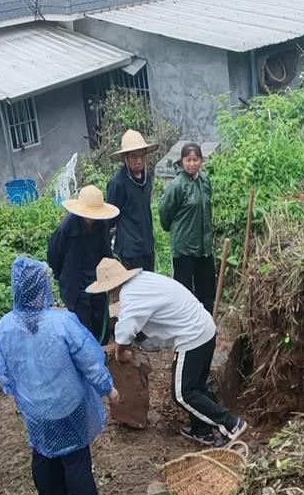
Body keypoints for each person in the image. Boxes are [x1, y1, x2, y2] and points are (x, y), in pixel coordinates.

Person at [0, 256, 117, 495]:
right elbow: (89, 360)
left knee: (43, 454)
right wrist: (107, 388)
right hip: (67, 404)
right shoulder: (61, 322)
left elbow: (4, 372)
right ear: (41, 290)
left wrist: (21, 397)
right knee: (75, 460)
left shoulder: (5, 325)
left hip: (35, 408)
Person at [87, 258, 246, 447]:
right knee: (195, 386)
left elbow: (126, 330)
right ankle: (202, 431)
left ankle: (231, 423)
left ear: (111, 287)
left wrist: (121, 351)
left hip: (192, 337)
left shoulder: (131, 295)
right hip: (203, 329)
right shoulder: (143, 280)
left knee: (183, 393)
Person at [47, 184, 118, 346]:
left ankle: (102, 353)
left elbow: (106, 250)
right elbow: (54, 255)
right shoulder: (66, 229)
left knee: (100, 320)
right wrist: (62, 276)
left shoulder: (101, 225)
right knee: (82, 326)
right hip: (75, 284)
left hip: (97, 281)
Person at [159, 143, 216, 313]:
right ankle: (184, 324)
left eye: (195, 160)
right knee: (183, 290)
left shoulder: (205, 180)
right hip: (183, 247)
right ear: (182, 161)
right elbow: (164, 210)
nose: (192, 164)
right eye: (188, 160)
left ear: (201, 160)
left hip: (204, 246)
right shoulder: (177, 185)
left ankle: (206, 323)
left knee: (206, 289)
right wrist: (175, 230)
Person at [106, 129, 157, 272]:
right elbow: (110, 216)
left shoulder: (147, 178)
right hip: (129, 249)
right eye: (134, 157)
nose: (139, 161)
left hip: (147, 244)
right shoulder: (118, 183)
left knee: (149, 285)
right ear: (125, 158)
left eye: (142, 156)